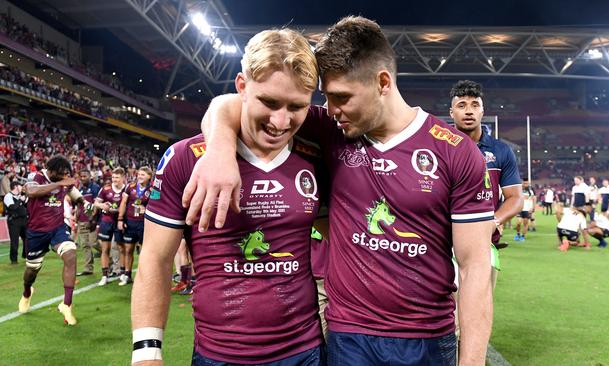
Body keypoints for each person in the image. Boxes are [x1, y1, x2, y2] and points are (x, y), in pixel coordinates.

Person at [185, 16, 495, 365]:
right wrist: (220, 150)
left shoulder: (455, 151)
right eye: (327, 98)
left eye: (342, 97)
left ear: (382, 82)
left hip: (428, 337)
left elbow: (474, 268)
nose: (331, 110)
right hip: (349, 336)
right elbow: (230, 103)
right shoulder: (333, 129)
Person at [131, 28, 325, 365]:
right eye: (269, 102)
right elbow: (155, 259)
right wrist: (147, 352)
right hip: (218, 355)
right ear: (241, 86)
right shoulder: (185, 158)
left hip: (304, 353)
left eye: (297, 106)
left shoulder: (318, 157)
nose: (281, 121)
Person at [447, 80, 523, 290]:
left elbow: (515, 198)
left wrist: (494, 221)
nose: (469, 111)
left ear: (482, 111)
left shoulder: (500, 151)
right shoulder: (439, 148)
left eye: (474, 105)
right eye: (461, 105)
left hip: (484, 243)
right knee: (447, 316)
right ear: (451, 112)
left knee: (477, 314)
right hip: (442, 243)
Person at [18, 155, 92, 325]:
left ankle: (67, 304)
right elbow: (31, 191)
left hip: (57, 229)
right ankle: (27, 292)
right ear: (50, 171)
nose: (64, 177)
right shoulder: (35, 177)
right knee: (31, 271)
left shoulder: (63, 180)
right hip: (37, 232)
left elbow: (73, 191)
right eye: (60, 175)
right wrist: (59, 184)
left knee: (71, 254)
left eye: (66, 174)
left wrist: (83, 202)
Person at [117, 166, 152, 286]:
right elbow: (123, 203)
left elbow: (157, 206)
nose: (139, 177)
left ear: (149, 176)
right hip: (130, 222)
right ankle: (127, 275)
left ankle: (144, 276)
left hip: (144, 223)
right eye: (139, 174)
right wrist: (120, 219)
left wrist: (146, 209)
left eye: (143, 175)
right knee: (128, 249)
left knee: (144, 251)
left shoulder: (153, 189)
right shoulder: (130, 187)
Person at [95, 167, 126, 286]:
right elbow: (96, 203)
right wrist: (102, 205)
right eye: (113, 177)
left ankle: (123, 273)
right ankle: (104, 276)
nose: (114, 180)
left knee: (121, 248)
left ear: (123, 178)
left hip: (120, 221)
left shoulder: (126, 190)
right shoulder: (105, 189)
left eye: (117, 177)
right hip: (106, 221)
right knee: (105, 249)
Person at [75, 169, 101, 276]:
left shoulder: (95, 188)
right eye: (81, 176)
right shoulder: (80, 190)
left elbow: (96, 204)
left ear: (90, 176)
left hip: (91, 221)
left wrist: (93, 219)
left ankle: (111, 260)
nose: (82, 178)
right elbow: (79, 206)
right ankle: (88, 268)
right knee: (85, 245)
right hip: (82, 220)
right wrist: (76, 218)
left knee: (94, 243)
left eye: (85, 176)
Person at [4, 181, 28, 264]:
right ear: (15, 187)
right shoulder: (8, 196)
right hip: (14, 221)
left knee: (27, 238)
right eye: (20, 186)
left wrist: (24, 200)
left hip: (24, 220)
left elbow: (26, 207)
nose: (21, 187)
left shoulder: (21, 196)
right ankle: (14, 260)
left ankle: (26, 255)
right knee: (15, 241)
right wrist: (20, 200)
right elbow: (13, 207)